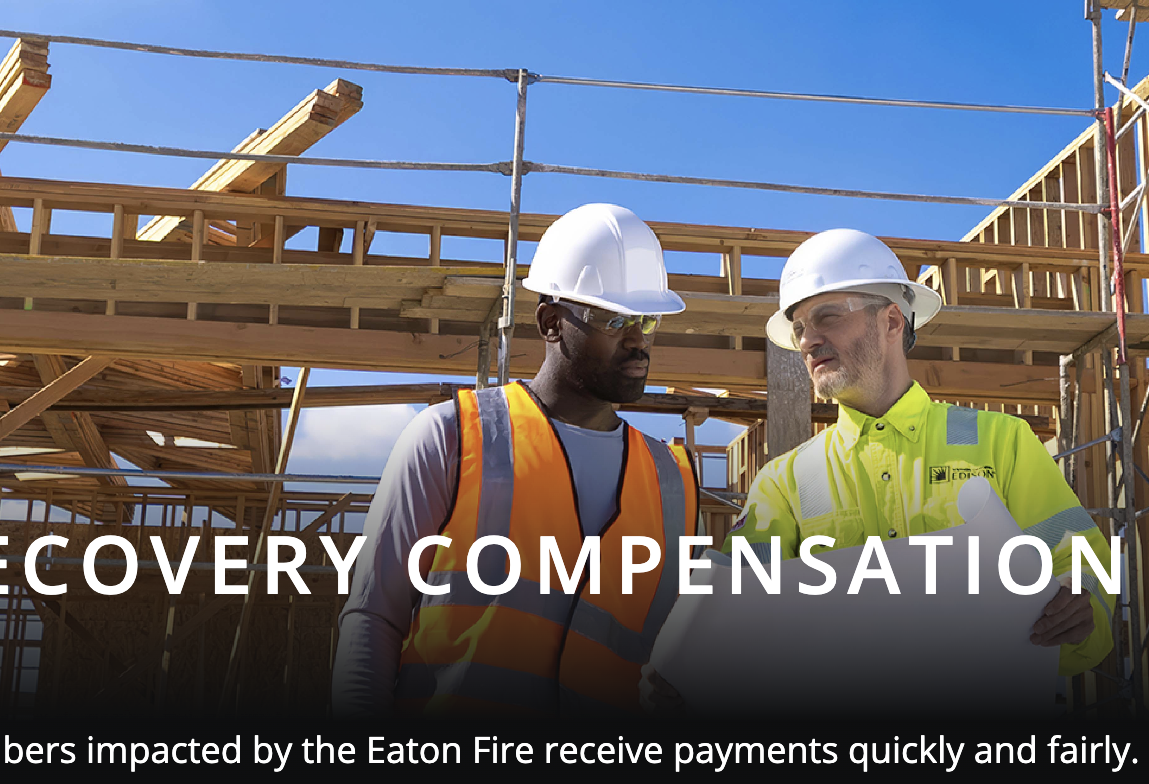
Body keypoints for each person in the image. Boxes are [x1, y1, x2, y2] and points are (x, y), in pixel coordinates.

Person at [331, 203, 701, 716]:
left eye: (647, 318)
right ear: (551, 322)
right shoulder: (451, 439)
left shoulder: (672, 482)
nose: (637, 340)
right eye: (612, 318)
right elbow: (374, 617)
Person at [722, 228, 1116, 677]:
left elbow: (1083, 567)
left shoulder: (1004, 443)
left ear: (891, 321)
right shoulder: (784, 482)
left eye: (827, 317)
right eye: (798, 329)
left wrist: (1083, 608)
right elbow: (734, 613)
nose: (808, 341)